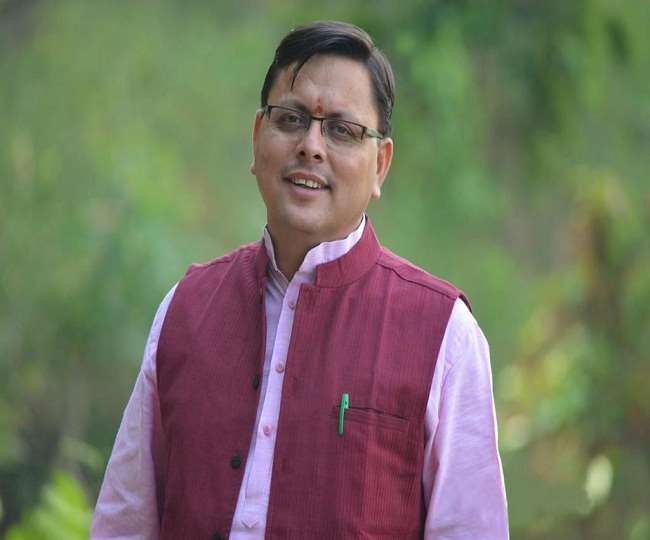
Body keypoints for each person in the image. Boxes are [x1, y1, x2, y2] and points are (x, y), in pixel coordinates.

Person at [92, 20, 509, 540]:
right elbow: (124, 523)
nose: (311, 146)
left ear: (380, 165)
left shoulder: (444, 335)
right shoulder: (186, 309)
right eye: (290, 120)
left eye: (342, 130)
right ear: (256, 138)